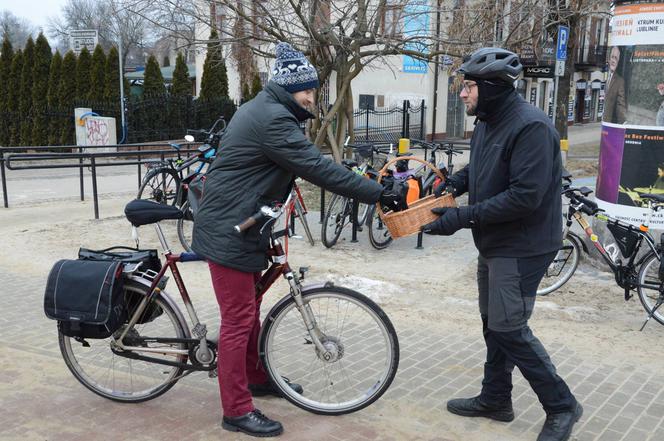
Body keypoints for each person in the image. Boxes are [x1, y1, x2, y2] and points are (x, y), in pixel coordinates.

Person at [190, 42, 402, 438]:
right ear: (289, 89)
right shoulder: (272, 119)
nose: (312, 98)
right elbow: (317, 167)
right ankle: (235, 410)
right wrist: (377, 192)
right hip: (228, 231)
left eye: (315, 90)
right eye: (308, 91)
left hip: (243, 225)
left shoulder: (268, 110)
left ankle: (255, 378)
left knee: (248, 312)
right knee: (238, 320)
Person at [422, 47, 582, 441]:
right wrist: (455, 184)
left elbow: (524, 196)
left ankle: (562, 405)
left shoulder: (532, 128)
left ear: (492, 87)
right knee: (494, 326)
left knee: (509, 328)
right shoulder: (489, 120)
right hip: (494, 241)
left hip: (523, 245)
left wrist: (460, 217)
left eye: (469, 86)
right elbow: (481, 166)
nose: (463, 93)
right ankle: (496, 398)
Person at [602, 46, 627, 124]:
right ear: (609, 59)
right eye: (612, 57)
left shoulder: (620, 81)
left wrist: (623, 121)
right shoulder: (605, 75)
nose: (613, 60)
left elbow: (620, 104)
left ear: (618, 61)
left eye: (616, 58)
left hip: (608, 123)